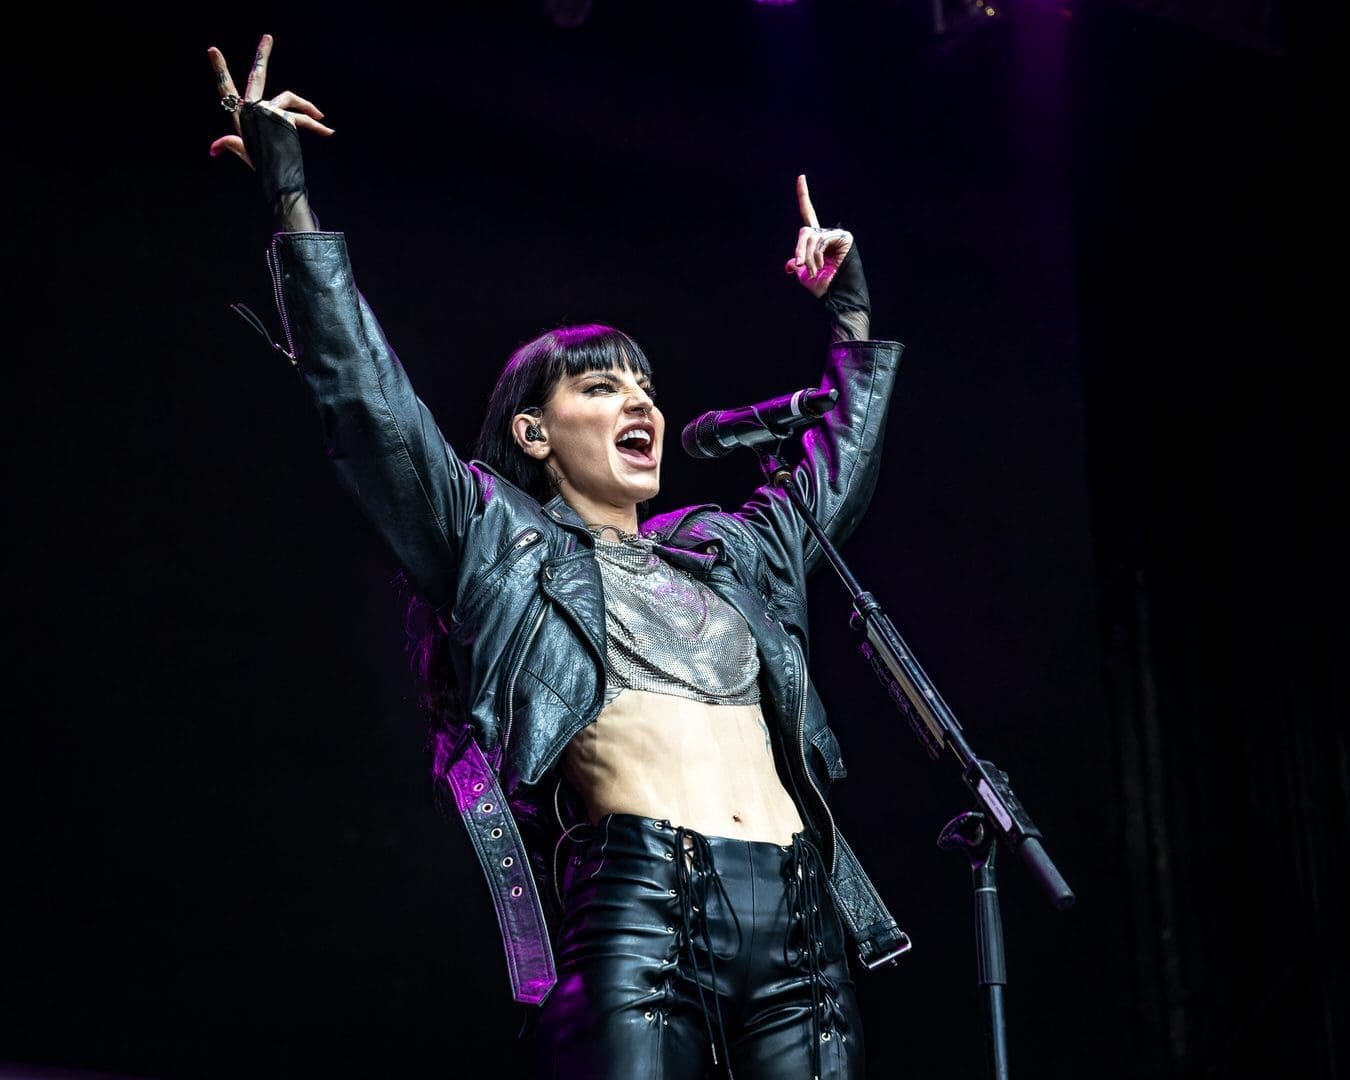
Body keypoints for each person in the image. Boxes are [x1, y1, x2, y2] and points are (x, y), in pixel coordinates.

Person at [208, 33, 910, 1080]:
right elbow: (371, 407)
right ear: (533, 433)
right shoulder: (499, 542)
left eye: (646, 388)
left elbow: (833, 478)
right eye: (600, 386)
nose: (640, 403)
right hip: (644, 910)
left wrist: (850, 320)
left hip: (804, 922)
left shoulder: (728, 554)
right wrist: (291, 201)